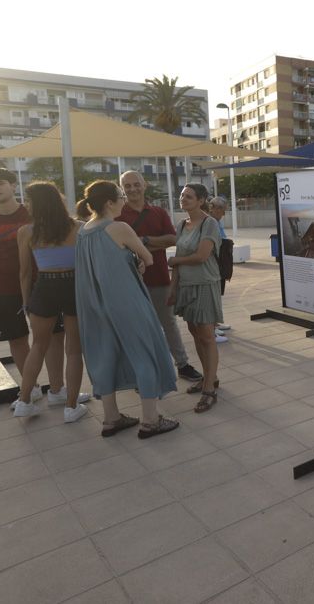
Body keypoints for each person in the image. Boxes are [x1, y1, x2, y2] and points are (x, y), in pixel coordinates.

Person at [75, 181, 179, 439]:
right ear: (110, 202)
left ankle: (111, 418)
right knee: (144, 352)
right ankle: (150, 420)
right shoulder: (118, 227)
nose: (124, 200)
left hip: (94, 304)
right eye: (121, 196)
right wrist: (137, 262)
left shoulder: (84, 230)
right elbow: (148, 257)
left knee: (104, 356)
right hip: (125, 300)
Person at [0, 168, 64, 402]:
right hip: (0, 290)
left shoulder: (31, 213)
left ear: (13, 186)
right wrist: (0, 272)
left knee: (53, 336)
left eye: (0, 183)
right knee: (17, 339)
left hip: (42, 286)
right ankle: (34, 388)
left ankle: (59, 389)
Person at [116, 171, 205, 383]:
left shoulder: (158, 212)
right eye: (127, 186)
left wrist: (141, 240)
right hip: (129, 282)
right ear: (121, 188)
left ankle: (182, 364)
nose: (132, 189)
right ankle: (142, 372)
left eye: (136, 184)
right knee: (136, 327)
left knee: (169, 324)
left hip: (159, 278)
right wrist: (156, 242)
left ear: (144, 185)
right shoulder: (117, 214)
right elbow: (116, 244)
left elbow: (173, 239)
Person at [12, 182, 91, 421]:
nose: (26, 204)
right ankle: (70, 407)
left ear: (39, 203)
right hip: (73, 285)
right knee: (74, 350)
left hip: (44, 287)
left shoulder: (27, 231)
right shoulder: (79, 227)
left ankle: (24, 402)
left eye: (28, 200)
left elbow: (25, 273)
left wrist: (27, 303)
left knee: (38, 345)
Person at [169, 183, 222, 413]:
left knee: (207, 336)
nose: (184, 199)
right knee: (196, 334)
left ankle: (209, 388)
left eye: (189, 196)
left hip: (204, 284)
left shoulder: (210, 223)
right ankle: (209, 377)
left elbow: (201, 256)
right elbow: (180, 254)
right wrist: (173, 287)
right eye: (182, 195)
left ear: (201, 201)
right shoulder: (182, 225)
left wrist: (175, 262)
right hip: (186, 286)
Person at [209, 196, 231, 343]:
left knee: (218, 294)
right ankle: (211, 328)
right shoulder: (211, 223)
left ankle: (215, 324)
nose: (223, 213)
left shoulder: (217, 222)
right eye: (222, 209)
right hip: (214, 263)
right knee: (213, 295)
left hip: (220, 262)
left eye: (224, 210)